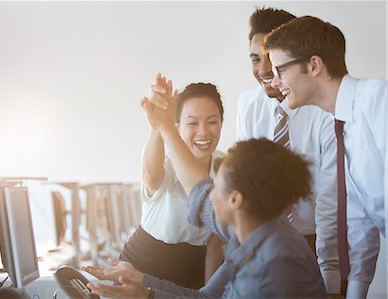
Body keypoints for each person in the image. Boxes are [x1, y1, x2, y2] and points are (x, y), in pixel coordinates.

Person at [82, 76, 327, 298]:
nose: (205, 194)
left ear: (235, 200)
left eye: (215, 186)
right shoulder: (248, 232)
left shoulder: (267, 272)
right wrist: (143, 285)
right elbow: (206, 297)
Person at [264, 16, 387, 298]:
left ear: (314, 65)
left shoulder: (378, 101)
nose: (274, 81)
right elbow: (361, 230)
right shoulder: (339, 125)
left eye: (280, 70)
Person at [236, 7, 340, 294]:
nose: (264, 70)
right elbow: (243, 186)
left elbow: (330, 200)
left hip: (314, 243)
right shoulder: (248, 105)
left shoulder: (324, 111)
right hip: (262, 245)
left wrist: (329, 276)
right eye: (256, 58)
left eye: (271, 58)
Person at [118, 74, 225, 289]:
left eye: (212, 122)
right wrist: (158, 124)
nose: (203, 132)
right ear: (176, 126)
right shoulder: (166, 164)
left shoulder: (226, 167)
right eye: (192, 123)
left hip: (191, 273)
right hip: (142, 266)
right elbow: (150, 173)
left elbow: (217, 239)